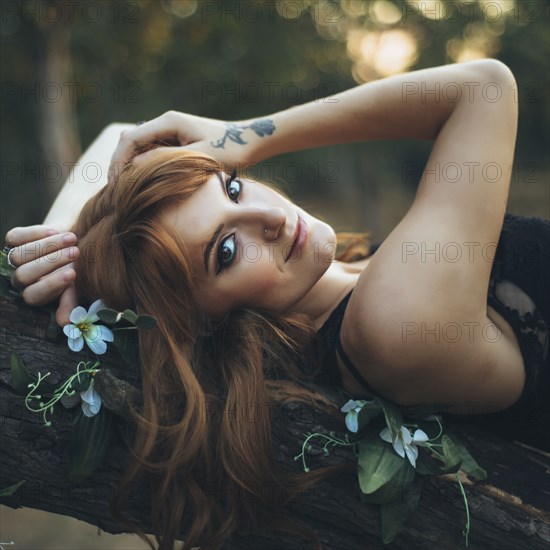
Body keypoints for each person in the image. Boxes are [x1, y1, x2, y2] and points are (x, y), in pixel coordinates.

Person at [4, 58, 549, 549]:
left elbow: (124, 138)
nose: (268, 218)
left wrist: (69, 241)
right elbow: (485, 88)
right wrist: (246, 136)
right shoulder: (389, 325)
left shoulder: (352, 284)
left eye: (233, 187)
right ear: (202, 324)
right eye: (226, 250)